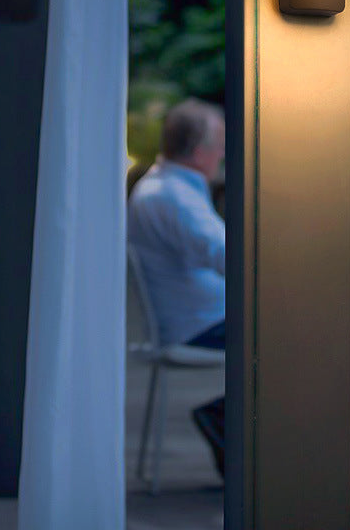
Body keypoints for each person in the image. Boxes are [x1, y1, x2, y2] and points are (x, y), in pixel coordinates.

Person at [127, 98, 226, 477]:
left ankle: (235, 425)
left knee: (296, 329)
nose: (221, 154)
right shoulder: (173, 197)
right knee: (304, 334)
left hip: (201, 318)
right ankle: (227, 418)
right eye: (218, 144)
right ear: (201, 151)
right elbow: (226, 255)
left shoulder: (167, 189)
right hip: (199, 325)